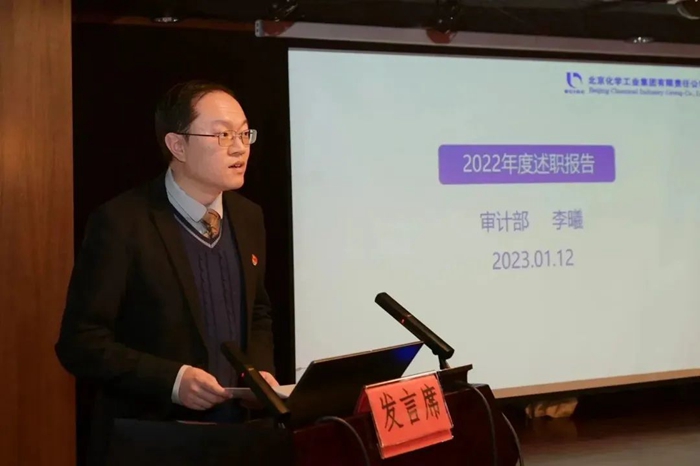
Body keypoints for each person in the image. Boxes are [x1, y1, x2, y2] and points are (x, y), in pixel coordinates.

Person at [55, 80, 277, 463]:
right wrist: (173, 381)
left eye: (244, 133)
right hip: (152, 440)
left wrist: (257, 374)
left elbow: (257, 313)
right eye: (223, 135)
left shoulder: (248, 217)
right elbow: (81, 342)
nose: (240, 147)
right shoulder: (122, 222)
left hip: (239, 438)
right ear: (177, 145)